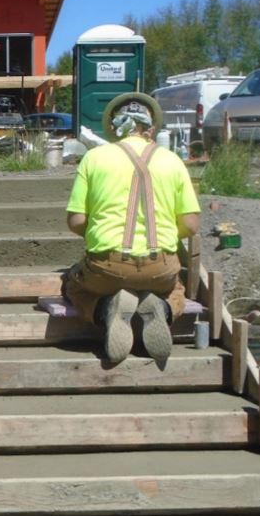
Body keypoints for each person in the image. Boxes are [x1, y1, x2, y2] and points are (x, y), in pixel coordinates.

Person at [62, 95, 200, 365]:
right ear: (151, 128)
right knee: (176, 289)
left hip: (108, 266)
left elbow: (76, 221)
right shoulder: (173, 161)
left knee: (73, 286)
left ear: (114, 127)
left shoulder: (94, 158)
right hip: (159, 268)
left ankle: (106, 310)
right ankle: (161, 307)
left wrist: (98, 234)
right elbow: (192, 224)